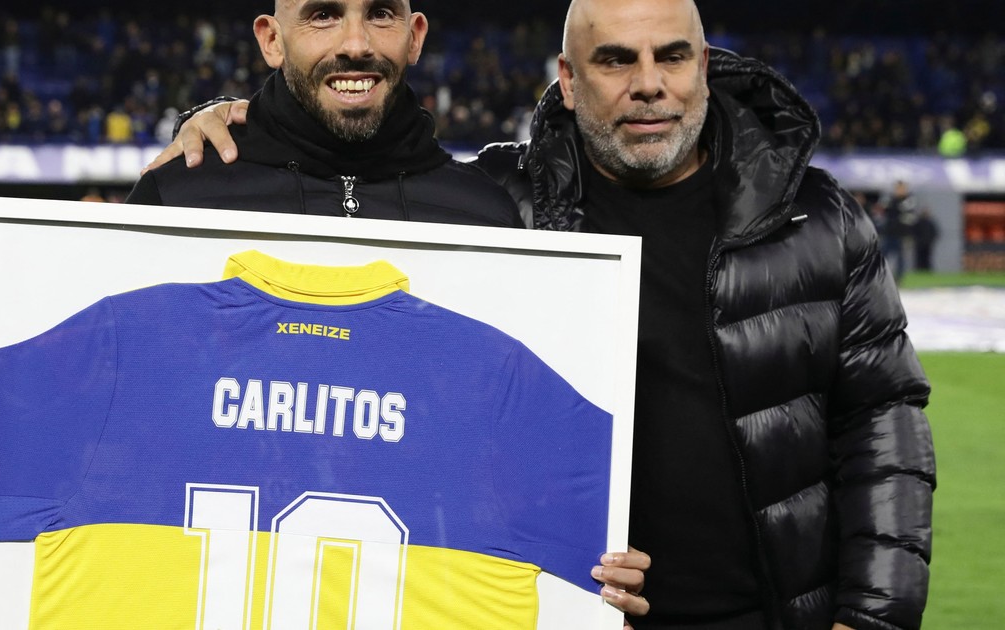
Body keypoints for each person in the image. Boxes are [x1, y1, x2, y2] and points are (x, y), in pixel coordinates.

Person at [153, 1, 936, 628]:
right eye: (615, 60)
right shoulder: (501, 208)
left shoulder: (817, 219)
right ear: (568, 78)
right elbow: (352, 178)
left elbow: (885, 428)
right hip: (572, 608)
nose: (648, 84)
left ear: (704, 65)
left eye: (671, 56)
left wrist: (871, 618)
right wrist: (230, 121)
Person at [126, 0, 522, 229]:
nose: (356, 45)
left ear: (414, 37)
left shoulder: (486, 214)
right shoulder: (175, 198)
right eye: (323, 14)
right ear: (272, 40)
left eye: (380, 13)